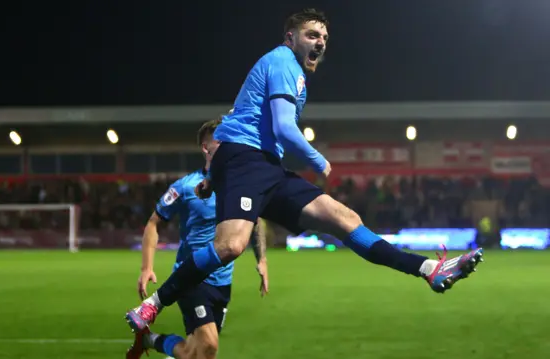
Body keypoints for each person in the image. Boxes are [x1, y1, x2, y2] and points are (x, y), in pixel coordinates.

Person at [125, 8, 484, 334]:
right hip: (246, 159)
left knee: (343, 217)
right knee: (231, 245)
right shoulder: (283, 62)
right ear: (290, 38)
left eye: (324, 38)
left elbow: (269, 132)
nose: (320, 42)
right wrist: (317, 160)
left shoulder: (294, 73)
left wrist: (213, 179)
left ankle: (428, 270)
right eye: (312, 35)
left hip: (264, 165)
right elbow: (282, 127)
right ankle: (153, 305)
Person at [126, 117, 269, 359]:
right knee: (210, 347)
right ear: (206, 147)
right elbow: (153, 222)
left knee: (197, 353)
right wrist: (146, 267)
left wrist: (262, 259)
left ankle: (152, 340)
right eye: (222, 140)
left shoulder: (238, 185)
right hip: (192, 278)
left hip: (223, 283)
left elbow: (256, 221)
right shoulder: (185, 187)